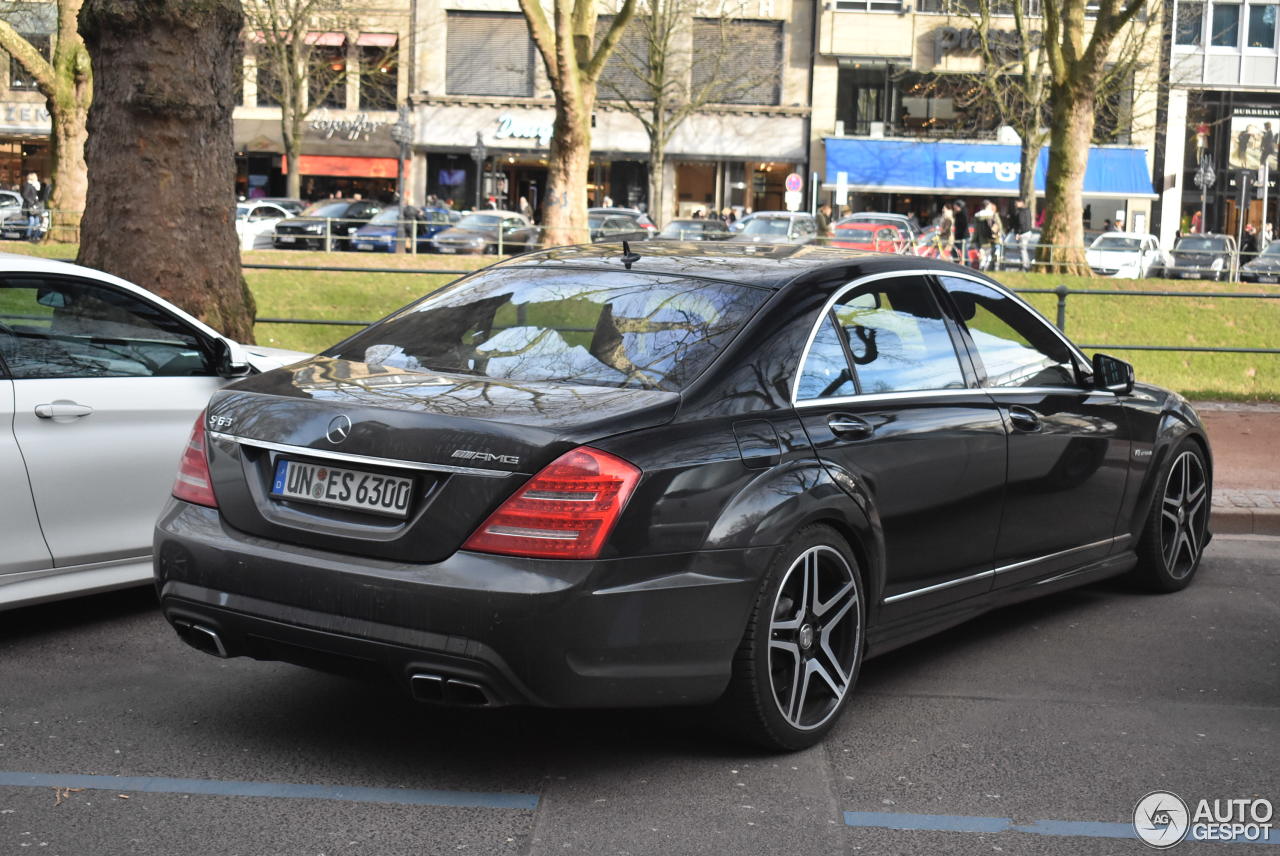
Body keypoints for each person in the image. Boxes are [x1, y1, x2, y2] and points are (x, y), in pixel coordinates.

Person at [974, 199, 1003, 271]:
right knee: (991, 255)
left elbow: (976, 230)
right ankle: (991, 267)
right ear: (987, 206)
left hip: (981, 239)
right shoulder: (993, 214)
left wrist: (974, 239)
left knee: (983, 254)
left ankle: (982, 267)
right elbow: (999, 226)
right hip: (993, 238)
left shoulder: (977, 216)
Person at [1012, 198, 1033, 271]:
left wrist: (1018, 233)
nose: (1015, 204)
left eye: (1016, 203)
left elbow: (1021, 222)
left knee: (1022, 249)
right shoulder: (1028, 210)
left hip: (1023, 233)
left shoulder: (1021, 212)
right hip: (1028, 232)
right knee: (1024, 249)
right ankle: (1025, 265)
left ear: (1021, 203)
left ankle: (1025, 266)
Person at [21, 172, 42, 243]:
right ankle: (28, 235)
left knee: (36, 221)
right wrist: (32, 202)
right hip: (30, 206)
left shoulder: (35, 186)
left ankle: (35, 235)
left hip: (34, 206)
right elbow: (25, 195)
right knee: (32, 221)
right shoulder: (28, 185)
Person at [952, 200, 970, 265]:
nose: (954, 208)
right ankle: (956, 264)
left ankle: (968, 266)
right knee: (954, 251)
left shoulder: (963, 214)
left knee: (964, 254)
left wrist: (959, 234)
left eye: (955, 207)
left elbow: (964, 226)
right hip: (958, 237)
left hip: (963, 237)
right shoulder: (957, 214)